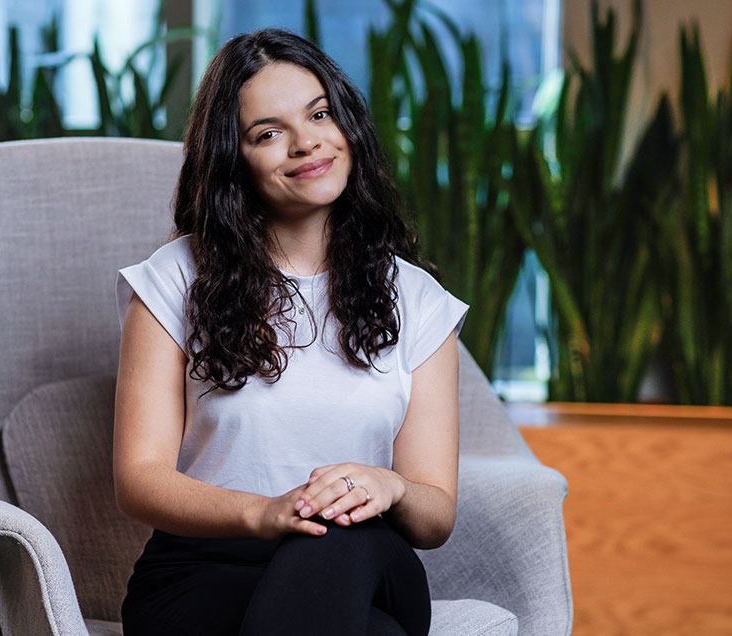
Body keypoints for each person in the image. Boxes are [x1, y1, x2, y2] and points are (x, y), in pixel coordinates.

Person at [113, 27, 469, 636]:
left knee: (337, 540)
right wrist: (266, 513)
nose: (307, 143)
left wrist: (388, 486)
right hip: (203, 572)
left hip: (367, 558)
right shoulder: (173, 280)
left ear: (347, 125)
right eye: (269, 132)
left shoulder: (417, 299)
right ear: (235, 160)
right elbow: (139, 480)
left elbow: (434, 517)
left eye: (320, 114)